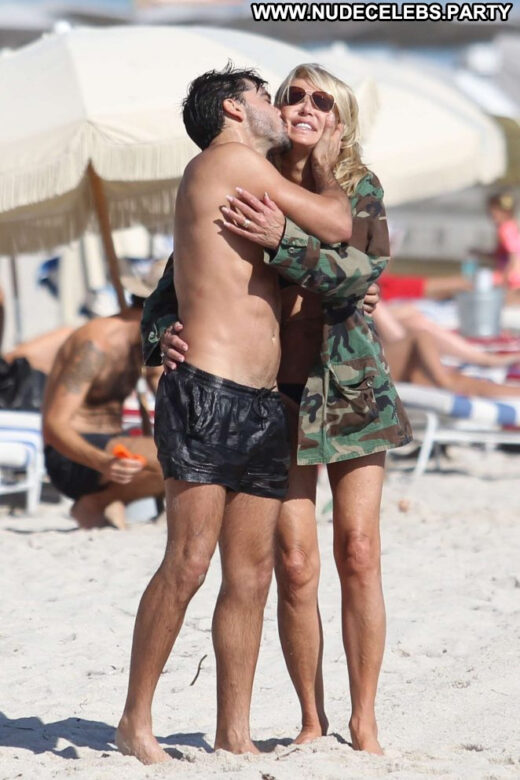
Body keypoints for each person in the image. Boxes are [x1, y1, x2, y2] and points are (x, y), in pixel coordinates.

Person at [141, 63, 411, 757]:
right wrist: (161, 333)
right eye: (292, 95)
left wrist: (284, 240)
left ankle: (365, 720)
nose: (304, 106)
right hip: (272, 392)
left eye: (323, 100)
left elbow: (362, 271)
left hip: (347, 386)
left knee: (358, 550)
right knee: (291, 562)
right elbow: (177, 278)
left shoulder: (357, 183)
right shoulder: (245, 172)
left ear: (340, 119)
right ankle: (311, 719)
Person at [42, 266, 165, 530]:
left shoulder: (145, 342)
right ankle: (98, 502)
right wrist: (103, 462)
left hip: (112, 448)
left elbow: (162, 389)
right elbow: (53, 425)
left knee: (193, 451)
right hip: (73, 457)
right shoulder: (96, 346)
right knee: (180, 455)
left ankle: (102, 502)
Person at [373, 301, 520, 398]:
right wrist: (444, 380)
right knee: (451, 380)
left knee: (455, 380)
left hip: (382, 369)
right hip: (380, 373)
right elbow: (420, 336)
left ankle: (486, 362)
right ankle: (485, 361)